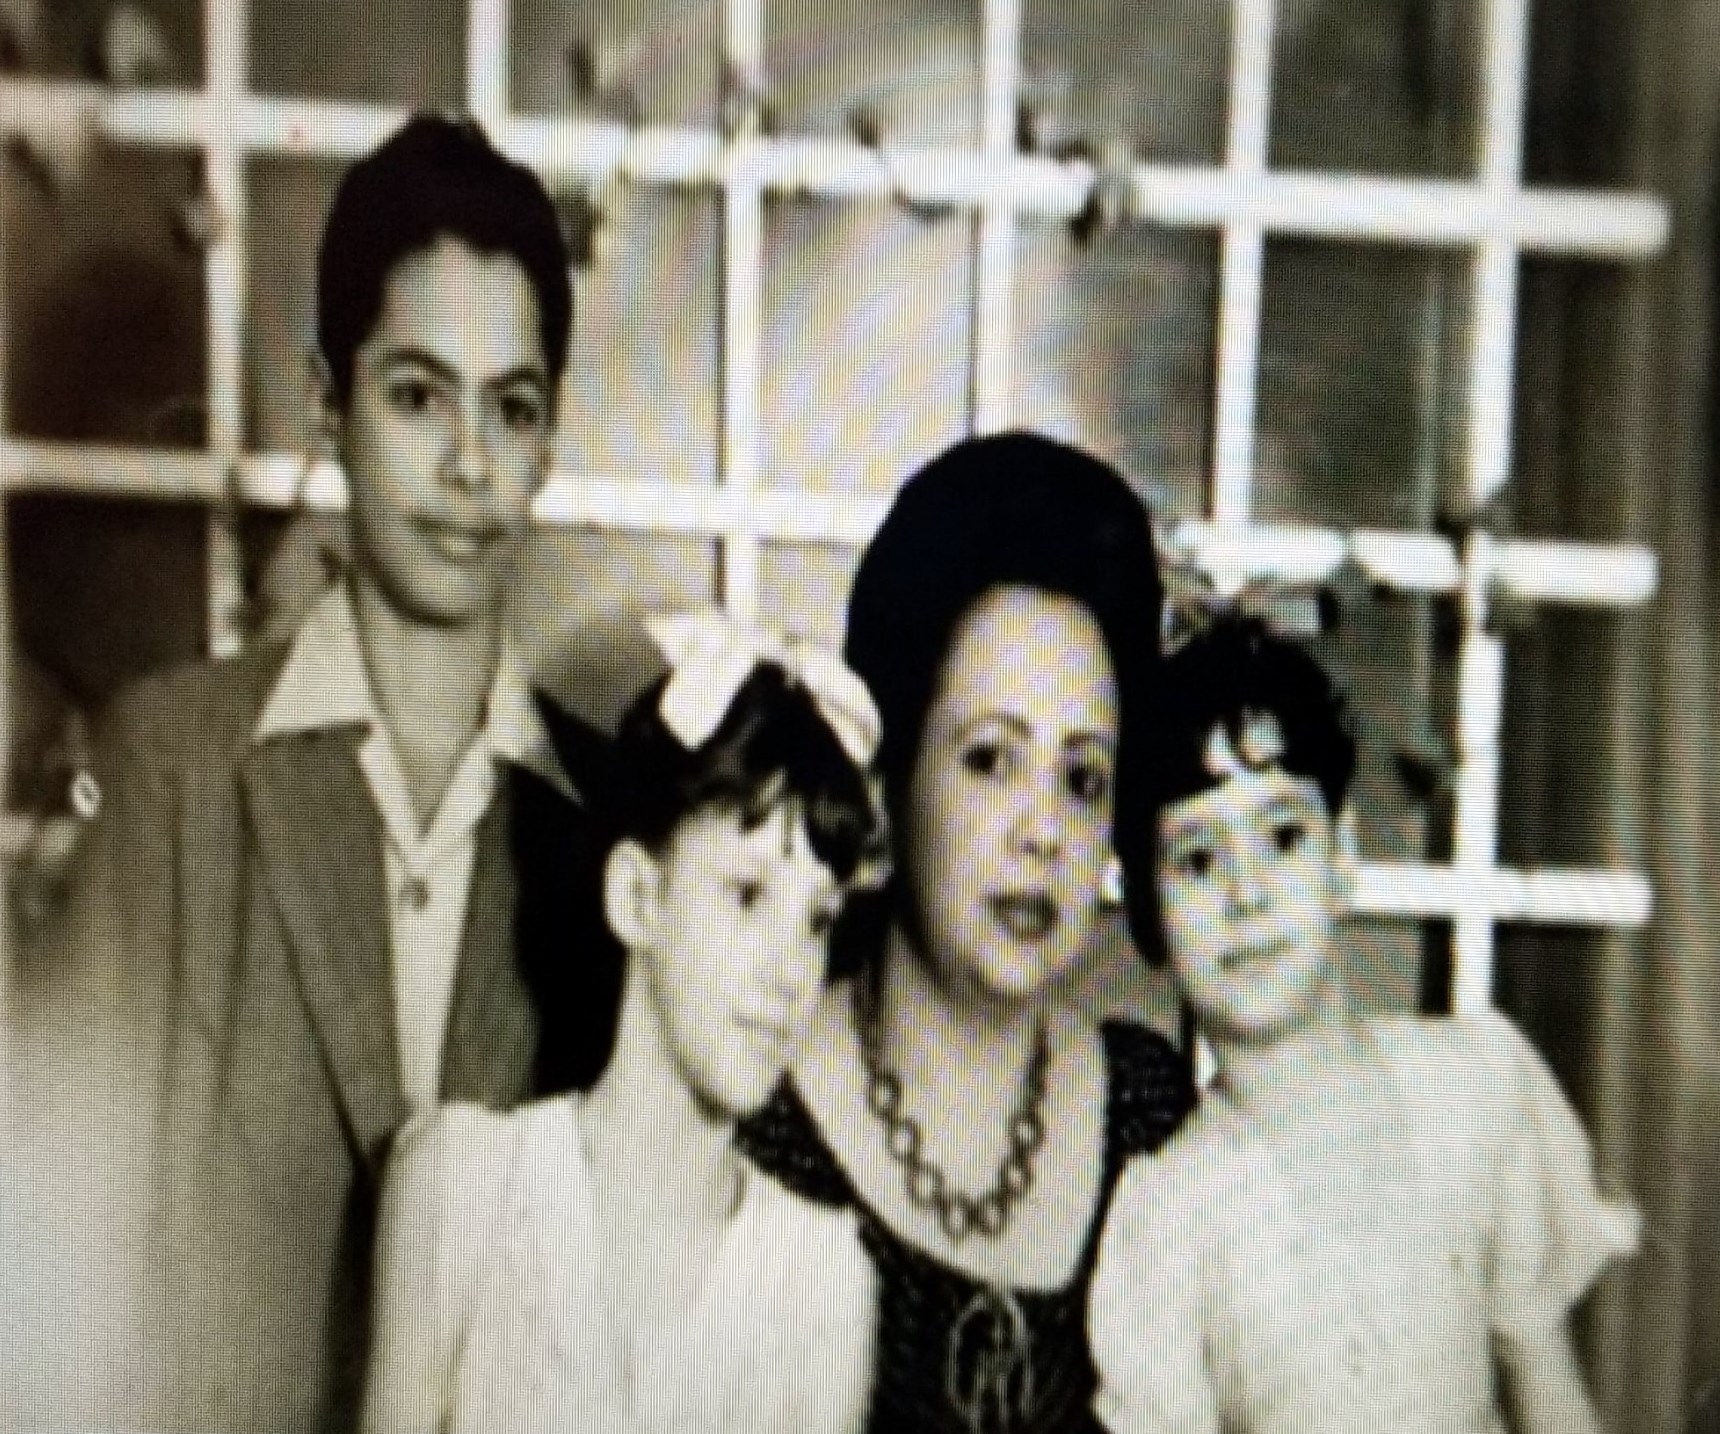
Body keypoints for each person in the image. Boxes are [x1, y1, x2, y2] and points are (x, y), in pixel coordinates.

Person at [21, 113, 587, 1433]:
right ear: (330, 404)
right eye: (417, 395)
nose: (468, 464)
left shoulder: (602, 828)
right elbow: (56, 1285)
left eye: (511, 407)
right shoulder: (172, 772)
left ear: (549, 441)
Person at [737, 431, 1195, 1434]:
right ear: (888, 789)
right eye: (990, 760)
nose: (1044, 832)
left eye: (1082, 779)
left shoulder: (1150, 1115)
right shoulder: (753, 1112)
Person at [1087, 616, 1640, 1434]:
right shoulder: (1168, 1217)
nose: (1247, 895)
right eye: (1199, 860)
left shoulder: (1473, 1084)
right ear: (1149, 910)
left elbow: (1553, 1402)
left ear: (1342, 854)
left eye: (1283, 837)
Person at [360, 608, 883, 1434]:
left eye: (816, 921)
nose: (791, 973)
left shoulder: (819, 1280)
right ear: (638, 898)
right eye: (747, 896)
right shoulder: (460, 1188)